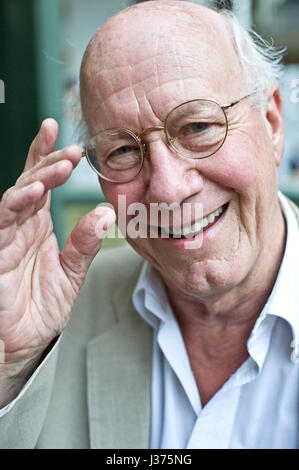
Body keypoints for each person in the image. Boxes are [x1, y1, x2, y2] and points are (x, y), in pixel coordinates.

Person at [0, 0, 298, 449]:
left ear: (272, 123)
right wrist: (8, 366)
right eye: (122, 151)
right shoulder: (53, 318)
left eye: (197, 126)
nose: (167, 188)